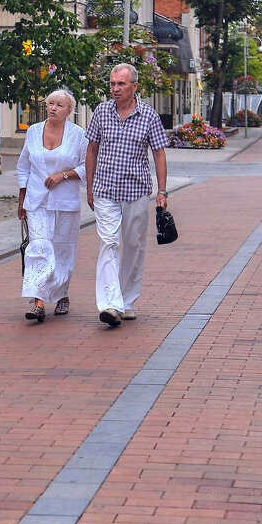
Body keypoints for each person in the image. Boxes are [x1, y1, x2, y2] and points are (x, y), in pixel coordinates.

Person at [85, 63, 168, 328]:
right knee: (109, 243)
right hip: (105, 190)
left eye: (121, 84)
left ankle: (128, 301)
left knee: (133, 245)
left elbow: (158, 153)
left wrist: (162, 192)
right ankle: (110, 303)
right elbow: (92, 150)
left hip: (136, 191)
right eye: (112, 84)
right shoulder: (101, 112)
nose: (115, 89)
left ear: (134, 86)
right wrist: (89, 187)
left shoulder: (149, 116)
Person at [17, 89, 87, 322]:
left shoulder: (78, 134)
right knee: (39, 246)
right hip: (36, 200)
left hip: (65, 201)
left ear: (69, 110)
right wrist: (22, 198)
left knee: (62, 250)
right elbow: (23, 166)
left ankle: (62, 295)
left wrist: (64, 175)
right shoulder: (34, 131)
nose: (53, 108)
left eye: (59, 105)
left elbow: (88, 166)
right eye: (50, 104)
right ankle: (37, 302)